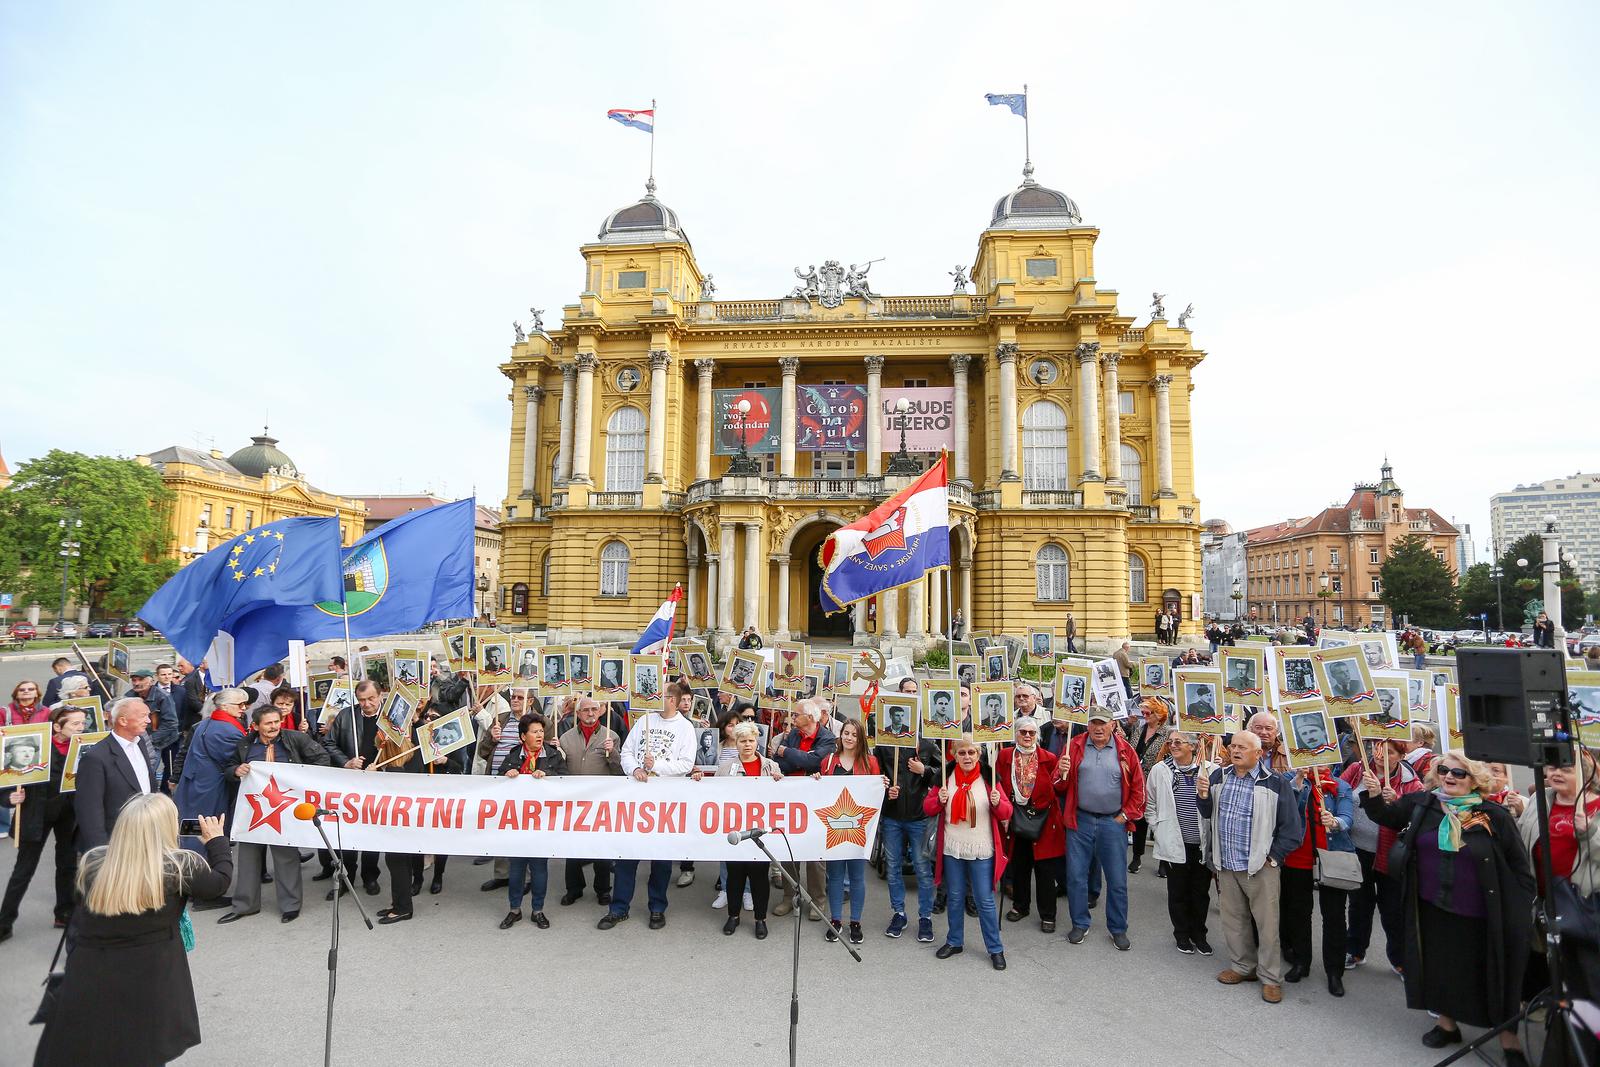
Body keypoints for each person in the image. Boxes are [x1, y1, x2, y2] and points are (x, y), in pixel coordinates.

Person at [1361, 754, 1534, 1060]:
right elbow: (1388, 816)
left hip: (1482, 912)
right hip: (1432, 905)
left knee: (1494, 973)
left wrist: (1519, 910)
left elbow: (1520, 868)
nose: (1449, 776)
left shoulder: (1493, 815)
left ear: (1475, 780)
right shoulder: (1423, 804)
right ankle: (1447, 1025)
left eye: (1459, 772)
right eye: (1444, 770)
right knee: (1440, 968)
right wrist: (1374, 795)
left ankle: (1509, 1040)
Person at [34, 796, 229, 1066]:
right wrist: (217, 842)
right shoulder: (179, 867)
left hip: (89, 976)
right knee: (142, 1051)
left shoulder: (93, 863)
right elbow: (219, 883)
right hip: (148, 983)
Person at [1198, 730, 1302, 1004]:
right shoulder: (1219, 776)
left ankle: (1270, 978)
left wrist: (1273, 857)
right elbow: (1207, 813)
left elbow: (1292, 829)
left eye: (1242, 747)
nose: (1235, 751)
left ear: (1259, 753)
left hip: (1260, 866)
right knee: (1233, 920)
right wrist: (1203, 796)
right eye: (1233, 746)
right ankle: (1243, 967)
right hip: (1226, 863)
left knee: (1267, 926)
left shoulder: (1276, 783)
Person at [218, 704, 332, 925]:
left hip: (285, 809)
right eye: (268, 723)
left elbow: (322, 759)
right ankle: (245, 905)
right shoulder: (245, 744)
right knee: (248, 857)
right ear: (255, 726)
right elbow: (229, 768)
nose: (274, 726)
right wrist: (236, 771)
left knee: (286, 856)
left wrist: (302, 781)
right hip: (253, 810)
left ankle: (291, 906)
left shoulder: (296, 739)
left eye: (277, 722)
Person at [600, 682, 696, 931]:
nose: (653, 697)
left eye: (660, 695)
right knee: (627, 856)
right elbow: (627, 752)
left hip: (666, 800)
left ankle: (657, 907)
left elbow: (687, 763)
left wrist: (658, 766)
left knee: (661, 859)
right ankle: (619, 908)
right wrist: (636, 769)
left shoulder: (685, 728)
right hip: (637, 798)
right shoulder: (644, 720)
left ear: (672, 700)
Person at [1058, 710, 1146, 950]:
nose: (1098, 728)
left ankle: (1118, 928)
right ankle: (1079, 923)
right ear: (1087, 725)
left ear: (1113, 725)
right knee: (1076, 877)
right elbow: (1059, 786)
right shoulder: (1074, 746)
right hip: (1080, 821)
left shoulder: (1125, 750)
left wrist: (1124, 816)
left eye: (1103, 723)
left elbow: (1139, 789)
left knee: (1117, 879)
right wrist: (1061, 772)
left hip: (1112, 823)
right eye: (1094, 723)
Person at [924, 738, 1012, 970]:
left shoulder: (989, 777)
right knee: (954, 897)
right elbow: (928, 807)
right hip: (953, 848)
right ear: (954, 755)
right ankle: (954, 941)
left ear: (979, 754)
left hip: (981, 848)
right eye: (962, 752)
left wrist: (997, 803)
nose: (967, 757)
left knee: (984, 900)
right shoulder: (945, 776)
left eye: (971, 752)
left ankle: (995, 949)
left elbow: (1006, 812)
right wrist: (939, 800)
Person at [0, 704, 86, 941]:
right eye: (75, 723)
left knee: (68, 866)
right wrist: (9, 797)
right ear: (57, 726)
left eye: (83, 722)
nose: (81, 727)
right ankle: (4, 922)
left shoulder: (82, 746)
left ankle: (64, 912)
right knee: (23, 870)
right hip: (35, 814)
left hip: (69, 812)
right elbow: (9, 776)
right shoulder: (35, 744)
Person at [1340, 738, 1423, 971]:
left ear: (1402, 756)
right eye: (1378, 750)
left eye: (1389, 752)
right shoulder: (1358, 769)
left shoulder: (1410, 783)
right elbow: (1338, 790)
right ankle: (1355, 950)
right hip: (1358, 849)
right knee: (1359, 904)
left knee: (1392, 909)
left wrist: (1397, 801)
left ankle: (1400, 960)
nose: (1381, 756)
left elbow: (1418, 817)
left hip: (1390, 854)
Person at [1280, 764, 1356, 996]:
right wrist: (1298, 782)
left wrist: (1335, 822)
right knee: (1298, 912)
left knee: (1334, 916)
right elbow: (1283, 810)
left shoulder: (1340, 786)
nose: (1317, 760)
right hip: (1298, 857)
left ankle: (1334, 972)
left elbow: (1347, 818)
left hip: (1331, 857)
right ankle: (1301, 962)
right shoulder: (1290, 779)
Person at [1145, 730, 1214, 954]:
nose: (1172, 745)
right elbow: (1150, 803)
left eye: (1178, 742)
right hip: (1174, 843)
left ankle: (1199, 934)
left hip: (1201, 844)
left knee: (1200, 893)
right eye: (1170, 742)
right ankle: (1181, 934)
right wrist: (1158, 829)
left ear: (1193, 746)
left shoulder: (1210, 770)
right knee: (1177, 892)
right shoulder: (1160, 770)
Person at [872, 718, 941, 943]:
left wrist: (924, 770)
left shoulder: (926, 743)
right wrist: (885, 790)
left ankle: (925, 917)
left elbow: (943, 773)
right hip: (892, 817)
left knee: (922, 869)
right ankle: (899, 913)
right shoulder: (884, 743)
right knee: (893, 867)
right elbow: (875, 775)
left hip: (919, 817)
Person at [497, 713, 567, 930]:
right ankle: (514, 909)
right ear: (523, 736)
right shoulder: (513, 755)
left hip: (542, 823)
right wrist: (507, 772)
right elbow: (497, 779)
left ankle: (538, 910)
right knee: (516, 869)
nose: (539, 735)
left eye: (541, 731)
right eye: (534, 732)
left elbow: (565, 778)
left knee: (539, 868)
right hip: (517, 822)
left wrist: (547, 773)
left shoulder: (553, 755)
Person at [996, 715, 1065, 932]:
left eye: (1032, 732)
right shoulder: (1005, 756)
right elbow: (998, 784)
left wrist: (1064, 773)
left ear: (1037, 735)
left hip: (1044, 821)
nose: (1027, 736)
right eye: (1023, 732)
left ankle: (1048, 914)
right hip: (1016, 819)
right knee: (1020, 866)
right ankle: (1020, 906)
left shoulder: (1050, 758)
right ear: (1015, 734)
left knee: (1045, 871)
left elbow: (1059, 788)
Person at [769, 699, 836, 920]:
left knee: (815, 856)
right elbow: (780, 763)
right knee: (789, 850)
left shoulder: (827, 738)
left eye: (797, 714)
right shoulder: (794, 735)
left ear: (810, 717)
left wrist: (788, 752)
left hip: (815, 803)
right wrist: (802, 759)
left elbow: (816, 762)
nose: (793, 717)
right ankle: (789, 897)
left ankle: (818, 901)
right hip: (791, 800)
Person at [817, 718, 881, 945]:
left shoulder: (870, 762)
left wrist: (882, 785)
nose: (849, 738)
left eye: (854, 734)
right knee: (834, 876)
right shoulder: (828, 761)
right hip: (834, 828)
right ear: (840, 734)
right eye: (846, 733)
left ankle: (855, 922)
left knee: (856, 877)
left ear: (860, 737)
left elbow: (875, 794)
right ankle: (835, 920)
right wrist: (817, 780)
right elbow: (820, 794)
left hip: (859, 829)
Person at [320, 680, 385, 897]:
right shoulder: (346, 715)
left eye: (371, 699)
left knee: (372, 832)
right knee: (347, 832)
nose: (366, 704)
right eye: (361, 700)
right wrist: (346, 762)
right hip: (350, 783)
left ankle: (370, 876)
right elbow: (329, 743)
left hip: (379, 783)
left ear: (380, 695)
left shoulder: (390, 717)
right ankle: (345, 878)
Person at [717, 721, 782, 938]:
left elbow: (780, 796)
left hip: (759, 831)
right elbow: (714, 795)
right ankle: (733, 915)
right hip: (735, 829)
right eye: (743, 741)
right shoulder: (725, 769)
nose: (747, 745)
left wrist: (779, 782)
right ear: (736, 742)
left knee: (759, 877)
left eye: (751, 740)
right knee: (735, 876)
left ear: (757, 742)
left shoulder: (771, 767)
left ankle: (760, 919)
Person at [557, 695, 622, 907]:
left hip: (600, 802)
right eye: (585, 710)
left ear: (601, 711)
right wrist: (555, 752)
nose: (590, 713)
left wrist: (613, 753)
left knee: (601, 848)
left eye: (594, 709)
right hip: (573, 802)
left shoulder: (611, 736)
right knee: (572, 848)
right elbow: (559, 769)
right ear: (578, 713)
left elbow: (619, 772)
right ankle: (573, 889)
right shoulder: (565, 738)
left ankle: (603, 890)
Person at [73, 697, 157, 851]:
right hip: (115, 840)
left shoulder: (140, 743)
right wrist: (100, 850)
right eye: (142, 716)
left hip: (143, 834)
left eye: (148, 715)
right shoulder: (95, 757)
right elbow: (89, 809)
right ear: (123, 721)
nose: (148, 721)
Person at [1127, 697, 1172, 873]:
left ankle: (1163, 860)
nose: (1144, 716)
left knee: (1159, 820)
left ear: (1159, 715)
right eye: (1143, 712)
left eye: (1147, 713)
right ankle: (1137, 856)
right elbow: (1131, 750)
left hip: (1158, 781)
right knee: (1139, 820)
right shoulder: (1139, 729)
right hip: (1138, 780)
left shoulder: (1167, 733)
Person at [125, 669, 177, 789]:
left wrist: (150, 740)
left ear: (151, 681)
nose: (136, 683)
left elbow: (171, 723)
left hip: (159, 740)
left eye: (140, 680)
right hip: (138, 738)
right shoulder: (129, 696)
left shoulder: (163, 696)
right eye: (134, 680)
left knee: (148, 771)